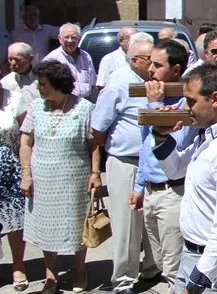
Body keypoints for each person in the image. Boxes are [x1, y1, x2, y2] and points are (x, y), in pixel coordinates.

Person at [150, 65, 217, 294]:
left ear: (215, 99)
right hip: (195, 255)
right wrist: (160, 136)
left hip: (214, 262)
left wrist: (198, 281)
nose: (187, 109)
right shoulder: (209, 137)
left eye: (191, 101)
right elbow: (176, 170)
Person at [20, 60, 101, 294]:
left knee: (77, 224)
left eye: (43, 84)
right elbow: (26, 142)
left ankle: (79, 270)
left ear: (57, 84)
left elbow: (94, 144)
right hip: (42, 177)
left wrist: (95, 173)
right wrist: (26, 173)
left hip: (74, 177)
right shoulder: (36, 107)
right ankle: (51, 275)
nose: (39, 88)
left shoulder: (84, 108)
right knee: (46, 226)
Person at [91, 37, 160, 294]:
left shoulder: (155, 81)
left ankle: (152, 268)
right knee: (127, 225)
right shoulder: (118, 84)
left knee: (151, 221)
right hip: (126, 162)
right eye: (150, 60)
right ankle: (123, 280)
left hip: (153, 163)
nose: (154, 65)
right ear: (135, 61)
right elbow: (97, 128)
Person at [130, 40, 193, 294]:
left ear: (176, 70)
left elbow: (170, 144)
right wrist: (139, 185)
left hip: (172, 192)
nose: (151, 71)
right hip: (151, 191)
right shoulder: (154, 98)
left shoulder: (185, 105)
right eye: (149, 64)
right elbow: (145, 146)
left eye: (157, 65)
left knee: (174, 267)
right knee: (157, 259)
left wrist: (155, 107)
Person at [0, 51, 27, 291]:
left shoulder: (15, 98)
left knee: (14, 221)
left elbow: (27, 136)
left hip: (10, 169)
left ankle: (18, 266)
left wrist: (26, 169)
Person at [43, 24, 97, 102]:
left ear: (79, 39)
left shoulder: (86, 56)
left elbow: (92, 85)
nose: (70, 40)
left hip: (86, 104)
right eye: (66, 37)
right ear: (60, 39)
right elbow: (47, 88)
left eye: (73, 37)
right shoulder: (51, 59)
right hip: (63, 106)